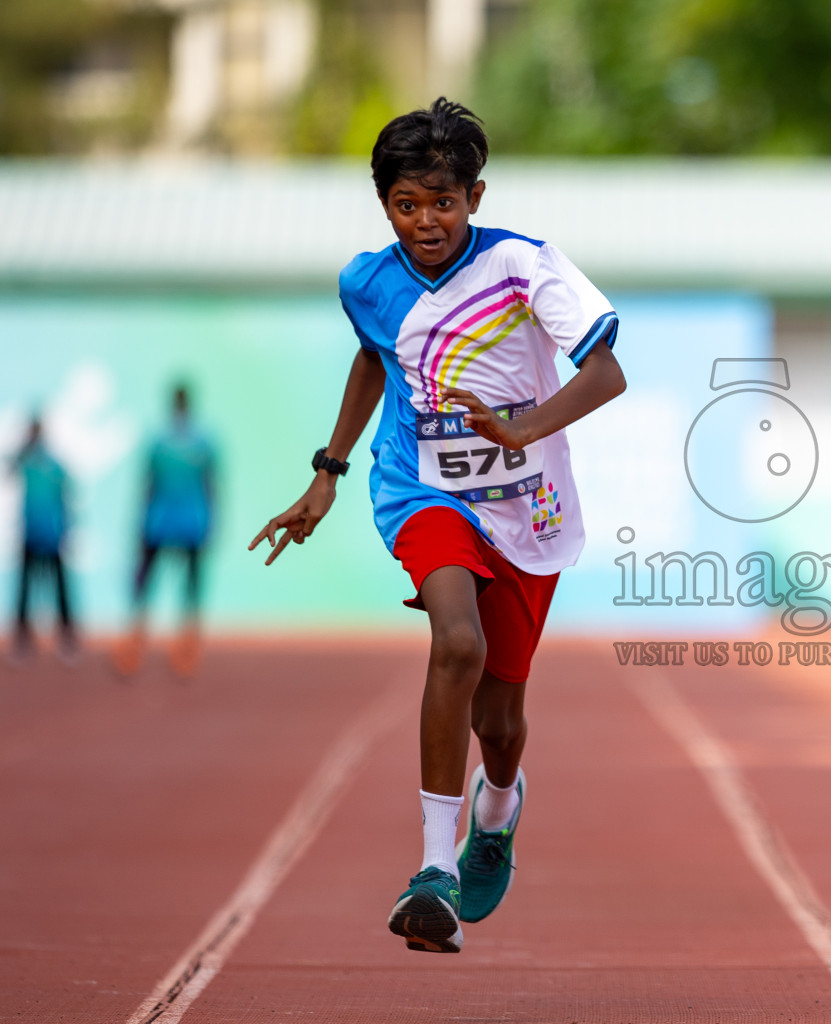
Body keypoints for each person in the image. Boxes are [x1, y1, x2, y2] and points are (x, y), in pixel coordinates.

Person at [250, 98, 625, 955]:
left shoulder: (529, 268)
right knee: (455, 643)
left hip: (526, 504)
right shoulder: (367, 282)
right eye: (406, 205)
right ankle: (434, 871)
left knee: (500, 720)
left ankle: (496, 809)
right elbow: (376, 356)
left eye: (443, 202)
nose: (425, 222)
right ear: (384, 204)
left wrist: (520, 428)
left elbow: (605, 373)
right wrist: (328, 472)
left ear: (476, 196)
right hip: (421, 490)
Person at [116, 384, 217, 677]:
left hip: (159, 522)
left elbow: (147, 486)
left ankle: (137, 643)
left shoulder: (159, 441)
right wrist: (212, 521)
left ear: (173, 402)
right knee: (189, 587)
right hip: (191, 522)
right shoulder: (203, 442)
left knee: (148, 584)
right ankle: (186, 647)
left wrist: (139, 524)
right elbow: (210, 486)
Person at [11, 416, 76, 659]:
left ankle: (67, 640)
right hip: (32, 533)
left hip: (52, 534)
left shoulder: (54, 464)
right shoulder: (27, 460)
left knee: (60, 591)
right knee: (25, 592)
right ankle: (23, 642)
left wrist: (66, 530)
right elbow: (9, 468)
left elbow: (65, 497)